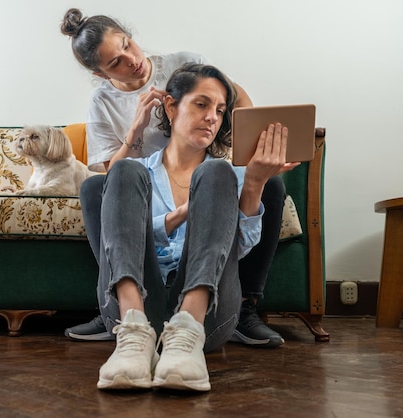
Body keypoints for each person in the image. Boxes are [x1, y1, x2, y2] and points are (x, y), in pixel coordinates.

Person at [61, 8, 287, 348]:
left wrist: (250, 168)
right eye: (115, 63)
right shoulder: (104, 104)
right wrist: (135, 128)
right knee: (100, 185)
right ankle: (121, 304)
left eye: (127, 45)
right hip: (144, 187)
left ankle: (243, 309)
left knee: (237, 177)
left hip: (208, 180)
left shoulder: (184, 64)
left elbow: (231, 95)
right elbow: (115, 183)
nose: (131, 60)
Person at [78, 62, 298, 391]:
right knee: (120, 171)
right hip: (136, 306)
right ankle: (134, 336)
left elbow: (236, 251)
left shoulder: (227, 175)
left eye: (220, 111)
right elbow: (119, 235)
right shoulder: (138, 174)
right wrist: (179, 215)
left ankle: (187, 332)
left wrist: (252, 184)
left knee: (216, 172)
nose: (212, 117)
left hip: (208, 314)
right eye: (201, 104)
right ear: (171, 105)